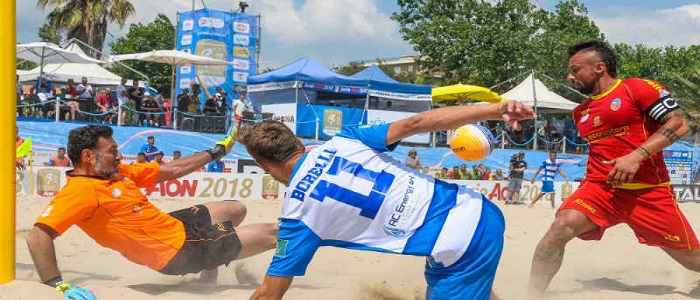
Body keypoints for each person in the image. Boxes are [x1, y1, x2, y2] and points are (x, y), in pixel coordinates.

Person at [241, 100, 535, 300]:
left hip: (460, 245)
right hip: (476, 208)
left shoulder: (297, 216)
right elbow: (418, 122)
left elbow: (269, 293)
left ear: (264, 166)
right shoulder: (348, 139)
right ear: (300, 143)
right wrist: (497, 109)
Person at [528, 40, 700, 298]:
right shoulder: (580, 113)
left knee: (693, 260)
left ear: (599, 68)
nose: (570, 76)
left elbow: (679, 124)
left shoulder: (636, 89)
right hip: (601, 189)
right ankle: (531, 294)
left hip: (648, 192)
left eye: (575, 70)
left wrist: (637, 155)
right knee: (561, 225)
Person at [25, 125, 278, 299]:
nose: (119, 155)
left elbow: (174, 171)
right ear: (89, 156)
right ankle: (215, 256)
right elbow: (38, 236)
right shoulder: (81, 190)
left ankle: (209, 271)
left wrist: (217, 151)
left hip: (175, 225)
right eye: (112, 151)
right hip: (178, 251)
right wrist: (56, 284)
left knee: (235, 208)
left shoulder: (117, 173)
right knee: (274, 233)